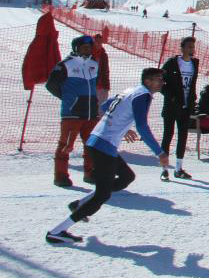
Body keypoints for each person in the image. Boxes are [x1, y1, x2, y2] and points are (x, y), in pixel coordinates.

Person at [45, 68, 170, 244]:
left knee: (127, 176)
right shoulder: (143, 96)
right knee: (102, 195)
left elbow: (105, 106)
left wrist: (123, 126)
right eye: (159, 79)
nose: (162, 82)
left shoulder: (131, 91)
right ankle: (57, 231)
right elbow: (142, 126)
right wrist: (160, 152)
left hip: (99, 141)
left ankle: (80, 204)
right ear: (148, 81)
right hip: (104, 145)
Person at [46, 35, 99, 187]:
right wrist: (69, 98)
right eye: (84, 47)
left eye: (89, 47)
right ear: (76, 48)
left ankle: (90, 173)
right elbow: (51, 85)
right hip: (72, 114)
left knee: (91, 145)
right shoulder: (65, 65)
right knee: (65, 145)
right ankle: (61, 176)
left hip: (91, 113)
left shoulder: (94, 64)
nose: (87, 50)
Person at [160, 36, 199, 180]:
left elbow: (192, 84)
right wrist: (172, 96)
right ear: (182, 48)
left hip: (185, 107)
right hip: (171, 107)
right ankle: (164, 169)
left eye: (192, 47)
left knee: (183, 136)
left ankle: (178, 168)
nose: (191, 49)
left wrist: (192, 99)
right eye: (188, 47)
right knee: (167, 136)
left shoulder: (194, 64)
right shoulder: (172, 63)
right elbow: (161, 83)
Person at [92, 33, 110, 106]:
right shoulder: (89, 53)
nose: (99, 44)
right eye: (97, 42)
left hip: (102, 85)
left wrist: (106, 84)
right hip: (92, 85)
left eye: (100, 42)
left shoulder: (104, 55)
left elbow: (106, 70)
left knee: (102, 107)